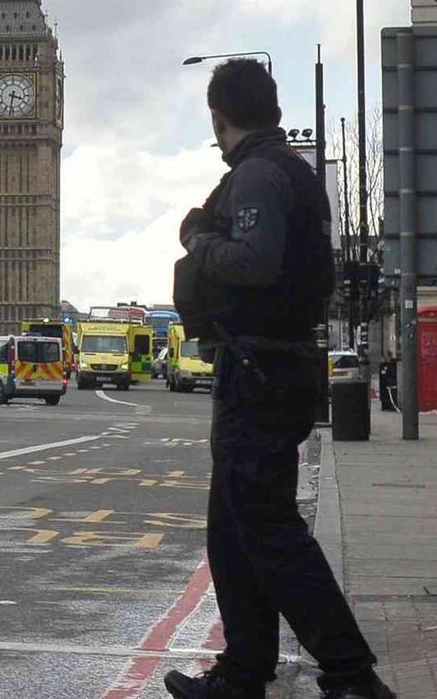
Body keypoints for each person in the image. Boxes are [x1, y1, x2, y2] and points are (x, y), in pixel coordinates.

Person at [166, 59, 393, 699]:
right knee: (233, 529)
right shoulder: (290, 172)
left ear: (219, 118)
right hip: (274, 367)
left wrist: (198, 241)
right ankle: (244, 672)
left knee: (267, 530)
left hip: (260, 372)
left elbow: (256, 263)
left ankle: (351, 674)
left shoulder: (260, 176)